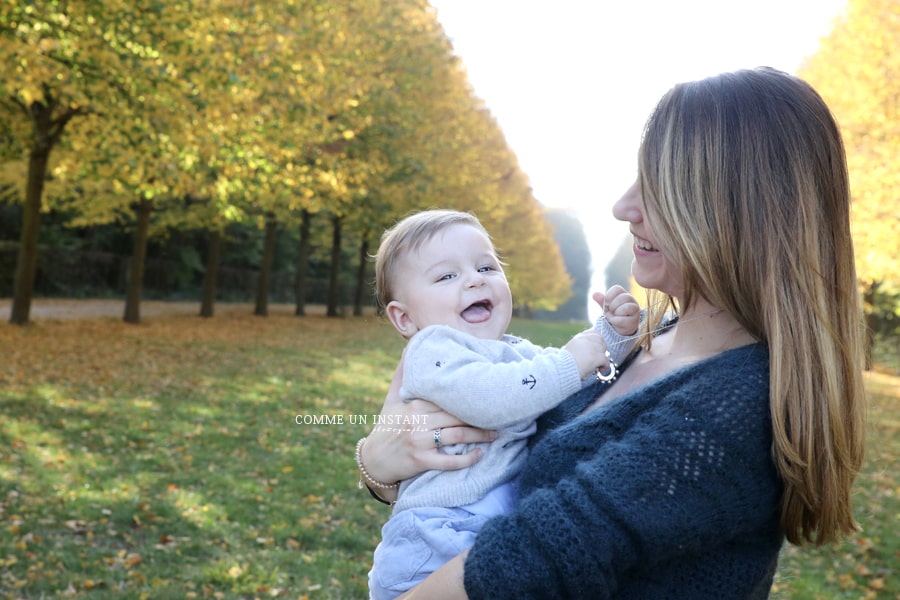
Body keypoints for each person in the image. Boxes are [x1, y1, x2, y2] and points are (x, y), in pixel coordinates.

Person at [357, 67, 867, 599]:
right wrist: (377, 466)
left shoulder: (730, 409)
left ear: (739, 209)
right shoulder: (651, 338)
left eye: (658, 186)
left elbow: (528, 560)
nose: (623, 207)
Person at [360, 209, 642, 599]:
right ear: (405, 319)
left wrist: (612, 334)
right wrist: (570, 361)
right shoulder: (433, 349)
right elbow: (494, 397)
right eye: (447, 276)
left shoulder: (513, 350)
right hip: (435, 536)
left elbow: (569, 381)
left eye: (487, 267)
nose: (475, 279)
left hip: (481, 526)